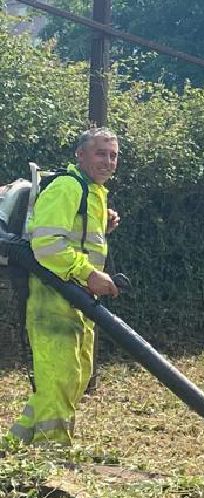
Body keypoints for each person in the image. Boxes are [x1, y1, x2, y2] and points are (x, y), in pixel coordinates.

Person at [9, 128, 122, 446]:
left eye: (113, 155)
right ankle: (51, 452)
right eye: (101, 153)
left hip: (75, 298)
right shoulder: (67, 186)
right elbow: (46, 244)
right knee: (61, 374)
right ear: (80, 155)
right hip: (53, 296)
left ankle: (19, 444)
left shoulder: (92, 192)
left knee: (76, 373)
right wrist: (87, 274)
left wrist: (103, 225)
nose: (108, 161)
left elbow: (74, 237)